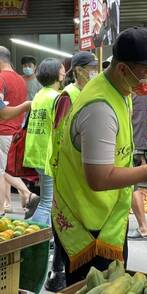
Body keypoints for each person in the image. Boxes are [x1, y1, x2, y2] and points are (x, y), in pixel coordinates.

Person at [52, 27, 147, 285]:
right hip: (88, 226)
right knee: (95, 287)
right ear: (122, 69)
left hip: (107, 218)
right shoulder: (100, 108)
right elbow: (98, 178)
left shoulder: (120, 90)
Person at [44, 52, 98, 292]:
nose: (95, 72)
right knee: (66, 226)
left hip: (83, 172)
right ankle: (60, 274)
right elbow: (60, 137)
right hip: (67, 171)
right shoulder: (69, 96)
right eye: (91, 68)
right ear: (77, 70)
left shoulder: (93, 94)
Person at [23, 58, 65, 226]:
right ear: (56, 74)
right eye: (62, 69)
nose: (64, 72)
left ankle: (46, 238)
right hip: (48, 154)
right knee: (47, 202)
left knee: (48, 200)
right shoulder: (57, 98)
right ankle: (35, 238)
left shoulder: (40, 95)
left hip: (37, 152)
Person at [0, 46, 37, 217]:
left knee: (2, 172)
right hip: (15, 131)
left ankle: (24, 195)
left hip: (2, 131)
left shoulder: (1, 78)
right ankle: (12, 201)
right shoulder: (21, 80)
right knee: (5, 169)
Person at [128, 94, 147, 240]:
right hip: (137, 144)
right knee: (131, 186)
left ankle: (143, 227)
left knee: (132, 186)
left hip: (132, 144)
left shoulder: (132, 92)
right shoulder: (141, 93)